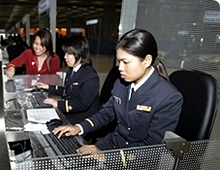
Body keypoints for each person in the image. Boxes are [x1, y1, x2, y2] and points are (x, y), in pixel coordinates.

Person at [52, 29, 183, 160]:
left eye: (125, 62)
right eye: (119, 61)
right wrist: (79, 128)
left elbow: (152, 147)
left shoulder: (169, 97)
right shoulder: (121, 83)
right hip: (112, 145)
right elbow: (106, 113)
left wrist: (108, 157)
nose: (120, 68)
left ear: (147, 61)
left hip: (137, 160)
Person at [35, 34, 101, 125]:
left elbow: (83, 104)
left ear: (80, 54)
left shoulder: (90, 76)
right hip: (72, 112)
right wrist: (48, 87)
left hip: (83, 119)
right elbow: (69, 91)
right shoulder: (72, 70)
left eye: (69, 54)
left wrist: (58, 104)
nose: (65, 57)